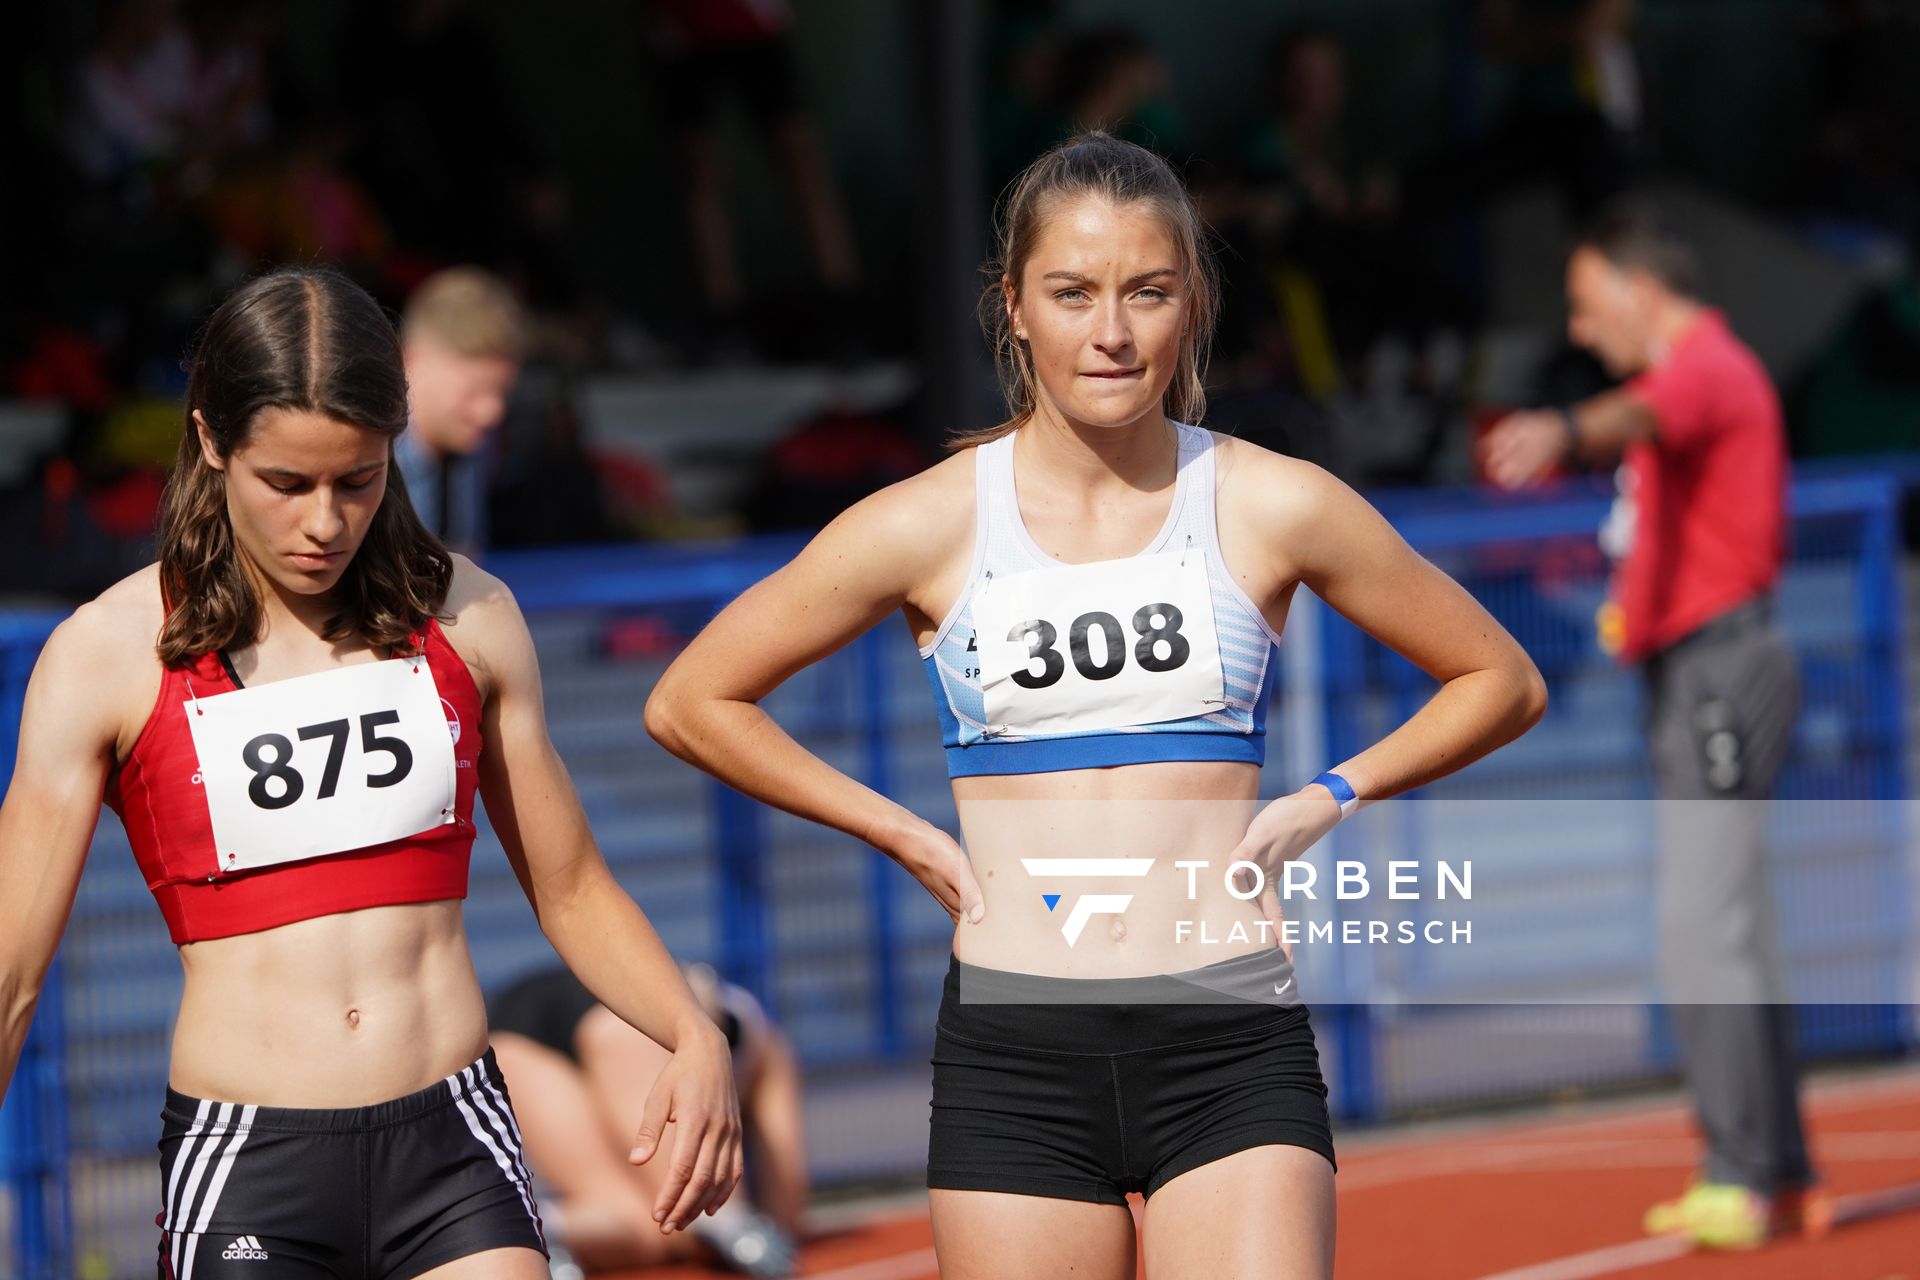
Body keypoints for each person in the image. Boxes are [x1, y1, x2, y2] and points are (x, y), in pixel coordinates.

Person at [645, 133, 1546, 1280]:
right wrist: (900, 828)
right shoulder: (927, 521)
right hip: (1016, 1057)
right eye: (1071, 293)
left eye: (1147, 292)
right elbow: (691, 699)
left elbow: (1501, 677)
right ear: (1014, 308)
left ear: (1194, 303)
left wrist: (1328, 796)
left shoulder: (1273, 501)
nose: (1111, 332)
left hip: (1227, 1042)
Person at [0, 267, 740, 1278]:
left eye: (357, 479)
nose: (324, 522)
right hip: (250, 1157)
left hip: (453, 1143)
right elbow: (12, 970)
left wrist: (688, 1029)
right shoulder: (109, 653)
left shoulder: (470, 617)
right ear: (212, 439)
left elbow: (569, 883)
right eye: (287, 483)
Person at [1483, 205, 1826, 1249]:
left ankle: (1740, 1168)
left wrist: (1566, 428)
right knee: (1734, 924)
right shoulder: (1704, 375)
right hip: (1695, 666)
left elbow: (1640, 412)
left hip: (1721, 668)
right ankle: (1780, 1170)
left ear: (1642, 291)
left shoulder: (1705, 367)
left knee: (1702, 926)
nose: (1584, 331)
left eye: (1590, 307)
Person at [489, 964, 807, 1278]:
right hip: (633, 1014)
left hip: (513, 1034)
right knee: (693, 1212)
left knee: (638, 1223)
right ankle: (721, 1222)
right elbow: (785, 1195)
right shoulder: (770, 1048)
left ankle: (542, 1226)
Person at [396, 267, 527, 558]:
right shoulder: (363, 458)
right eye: (474, 391)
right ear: (413, 362)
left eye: (502, 392)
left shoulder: (473, 446)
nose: (493, 412)